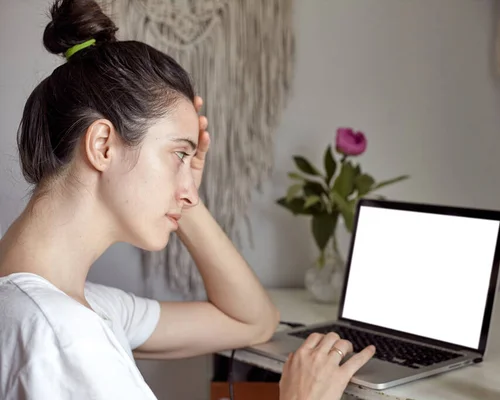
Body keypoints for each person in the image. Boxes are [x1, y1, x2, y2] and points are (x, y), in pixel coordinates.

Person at [0, 0, 376, 399]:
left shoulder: (60, 305)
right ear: (103, 145)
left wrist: (183, 193)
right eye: (179, 154)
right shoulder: (65, 338)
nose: (191, 190)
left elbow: (252, 321)